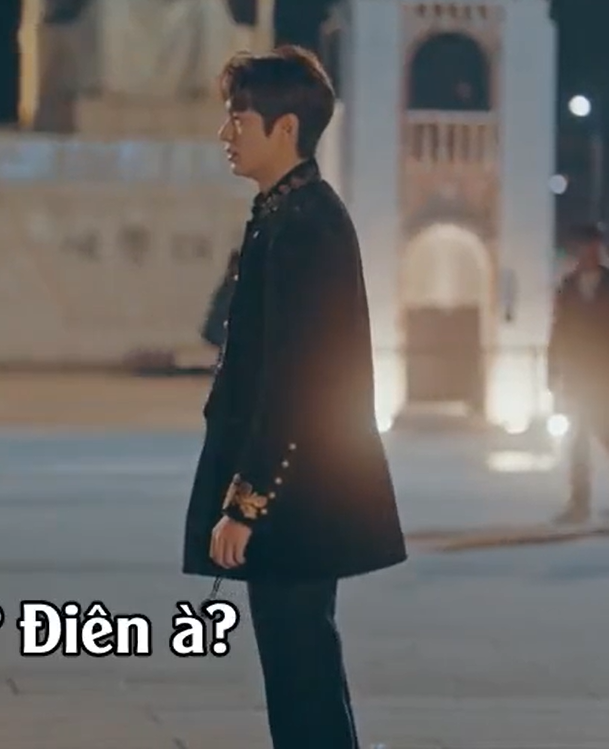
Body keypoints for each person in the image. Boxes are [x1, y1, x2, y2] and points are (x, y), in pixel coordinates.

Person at [182, 46, 406, 749]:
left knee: (299, 663)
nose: (226, 134)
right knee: (298, 663)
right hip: (302, 486)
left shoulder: (305, 225)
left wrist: (246, 504)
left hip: (298, 491)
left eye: (239, 119)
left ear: (286, 128)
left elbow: (295, 379)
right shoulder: (284, 213)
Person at [547, 223, 609, 523]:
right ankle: (579, 502)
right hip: (579, 372)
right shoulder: (569, 285)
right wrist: (553, 369)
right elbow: (559, 328)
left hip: (606, 372)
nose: (588, 252)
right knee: (578, 438)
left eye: (593, 246)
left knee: (606, 432)